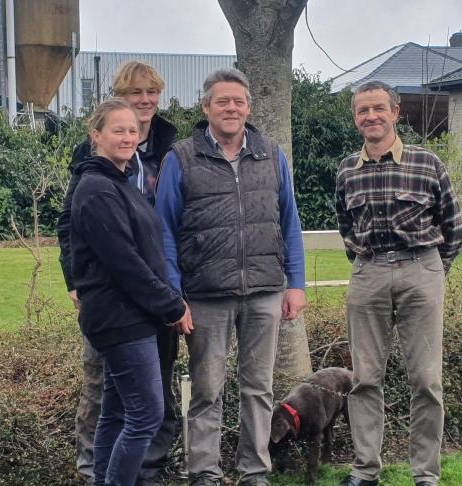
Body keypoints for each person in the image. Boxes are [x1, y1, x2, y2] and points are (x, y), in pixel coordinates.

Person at [155, 68, 306, 486]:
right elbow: (163, 230)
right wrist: (174, 294)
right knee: (207, 389)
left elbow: (289, 222)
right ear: (206, 108)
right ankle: (204, 471)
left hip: (264, 292)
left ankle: (255, 471)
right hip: (205, 294)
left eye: (238, 101)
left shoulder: (271, 154)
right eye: (222, 101)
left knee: (258, 387)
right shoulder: (181, 158)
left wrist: (296, 283)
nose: (231, 108)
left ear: (249, 108)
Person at [334, 81, 462, 486]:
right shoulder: (347, 170)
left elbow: (453, 227)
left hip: (420, 270)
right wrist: (366, 265)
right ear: (356, 118)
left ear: (396, 111)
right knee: (364, 379)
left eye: (378, 108)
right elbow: (345, 225)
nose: (370, 116)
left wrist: (430, 273)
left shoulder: (427, 163)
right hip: (368, 272)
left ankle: (425, 474)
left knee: (426, 380)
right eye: (362, 111)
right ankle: (365, 470)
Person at [57, 61, 179, 485]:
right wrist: (75, 279)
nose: (144, 102)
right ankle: (100, 473)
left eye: (151, 93)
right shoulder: (98, 180)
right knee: (141, 409)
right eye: (134, 95)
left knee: (120, 405)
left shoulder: (166, 145)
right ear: (98, 135)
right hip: (121, 303)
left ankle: (138, 473)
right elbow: (110, 248)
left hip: (149, 294)